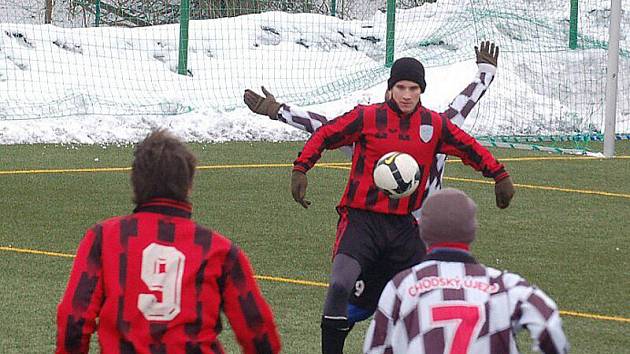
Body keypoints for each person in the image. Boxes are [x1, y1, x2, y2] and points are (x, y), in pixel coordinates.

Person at [244, 41, 503, 328]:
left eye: (412, 89)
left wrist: (485, 73)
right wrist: (277, 110)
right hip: (372, 226)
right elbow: (324, 127)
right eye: (398, 89)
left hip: (414, 230)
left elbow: (463, 105)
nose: (404, 98)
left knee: (422, 303)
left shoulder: (436, 128)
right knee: (356, 302)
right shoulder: (369, 134)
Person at [56, 129, 281, 354]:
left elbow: (74, 318)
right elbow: (258, 332)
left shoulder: (103, 238)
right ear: (189, 185)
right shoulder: (219, 250)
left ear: (135, 182)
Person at [363, 188, 569, 354]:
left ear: (422, 229)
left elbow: (377, 348)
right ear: (473, 231)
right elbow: (548, 323)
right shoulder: (506, 286)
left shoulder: (402, 285)